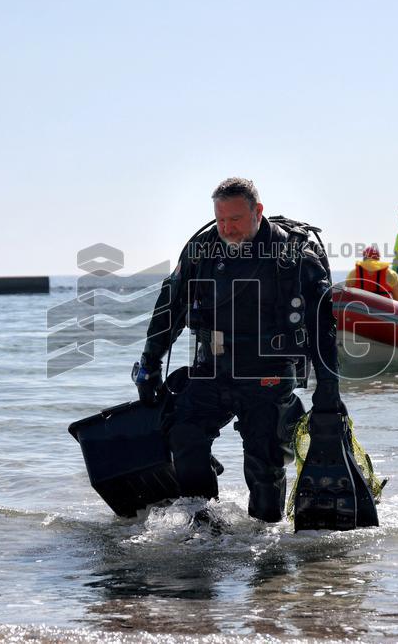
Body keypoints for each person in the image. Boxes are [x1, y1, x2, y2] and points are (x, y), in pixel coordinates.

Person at [131, 177, 342, 523]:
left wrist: (329, 398)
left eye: (236, 219)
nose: (227, 228)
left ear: (258, 211)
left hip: (268, 373)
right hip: (212, 370)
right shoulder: (202, 252)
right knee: (184, 433)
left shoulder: (294, 256)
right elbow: (169, 310)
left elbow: (324, 332)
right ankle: (204, 523)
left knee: (264, 461)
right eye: (221, 220)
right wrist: (149, 364)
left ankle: (265, 540)